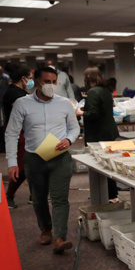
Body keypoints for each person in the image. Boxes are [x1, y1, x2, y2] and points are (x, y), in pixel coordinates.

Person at [5, 66, 80, 253]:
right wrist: (12, 163)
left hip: (60, 158)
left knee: (60, 198)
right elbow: (11, 133)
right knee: (38, 199)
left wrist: (68, 139)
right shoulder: (22, 104)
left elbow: (74, 128)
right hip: (34, 159)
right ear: (37, 82)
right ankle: (45, 229)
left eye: (54, 82)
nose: (51, 85)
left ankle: (60, 237)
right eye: (47, 82)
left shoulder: (64, 104)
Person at [76, 67, 120, 202]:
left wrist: (81, 113)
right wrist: (88, 107)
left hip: (98, 134)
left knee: (100, 165)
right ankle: (111, 194)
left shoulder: (93, 92)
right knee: (108, 164)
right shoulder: (105, 90)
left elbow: (93, 114)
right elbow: (103, 109)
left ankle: (109, 195)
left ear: (88, 78)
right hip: (108, 132)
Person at [2, 63, 34, 209]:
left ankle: (34, 195)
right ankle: (9, 195)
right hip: (17, 133)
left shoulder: (17, 92)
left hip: (25, 132)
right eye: (30, 78)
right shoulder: (15, 94)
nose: (31, 81)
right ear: (23, 78)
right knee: (21, 167)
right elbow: (24, 113)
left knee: (33, 164)